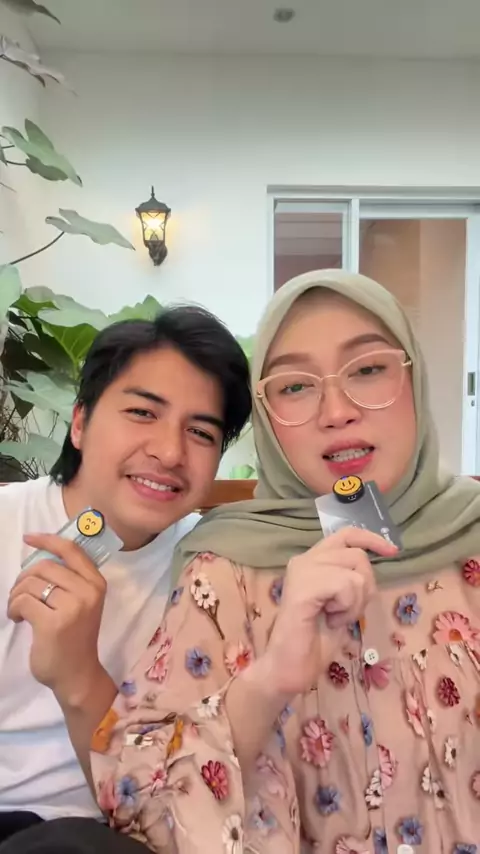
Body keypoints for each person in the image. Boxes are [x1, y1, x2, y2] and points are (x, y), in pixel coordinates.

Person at [7, 269, 480, 854]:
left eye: (368, 370)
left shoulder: (195, 548)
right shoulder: (223, 567)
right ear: (79, 422)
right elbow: (141, 804)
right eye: (295, 386)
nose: (337, 411)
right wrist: (269, 678)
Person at [0, 305, 251, 843]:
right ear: (80, 422)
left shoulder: (212, 569)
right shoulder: (7, 526)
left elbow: (162, 799)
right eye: (142, 412)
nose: (169, 451)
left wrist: (76, 675)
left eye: (200, 432)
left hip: (114, 828)